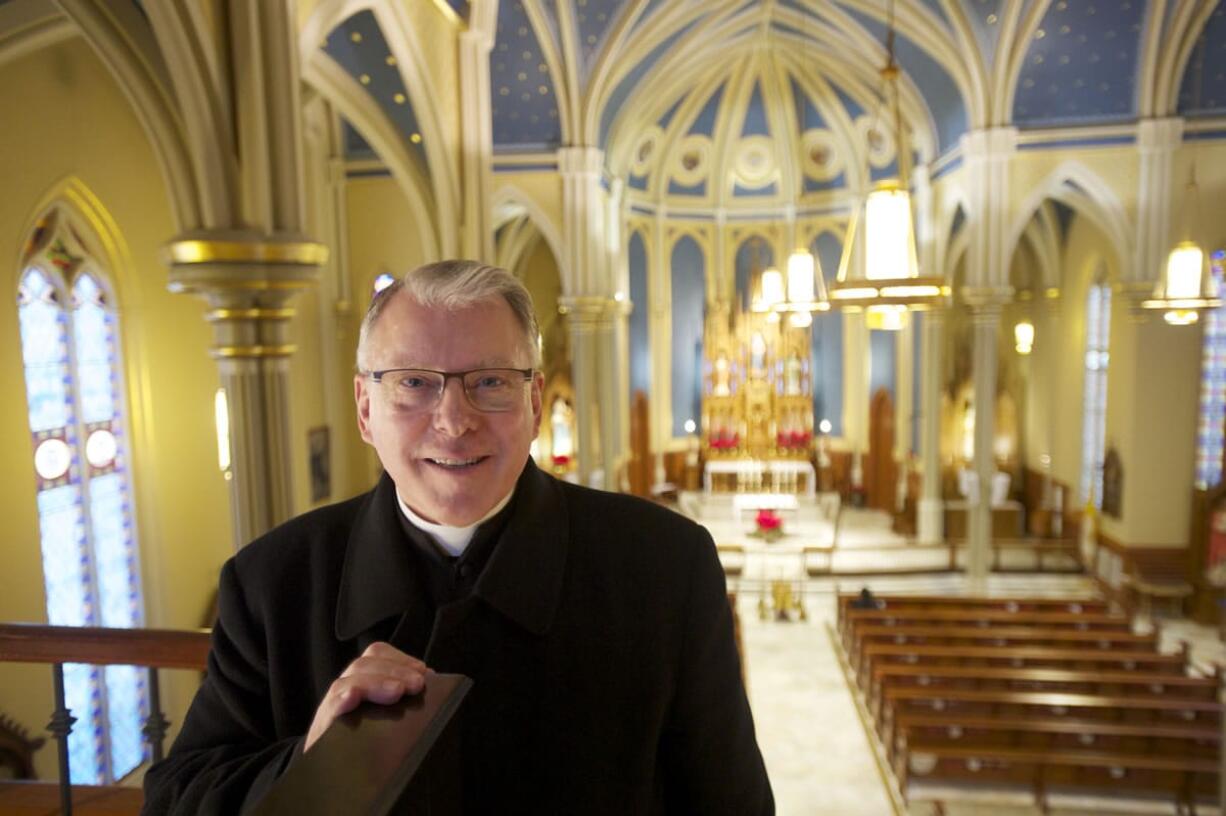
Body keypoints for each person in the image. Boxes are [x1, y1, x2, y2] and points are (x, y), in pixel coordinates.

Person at [143, 260, 773, 814]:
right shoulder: (271, 581)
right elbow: (181, 795)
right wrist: (312, 757)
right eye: (414, 382)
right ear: (366, 408)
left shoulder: (665, 566)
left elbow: (729, 802)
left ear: (535, 402)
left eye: (490, 381)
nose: (453, 421)